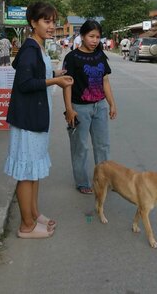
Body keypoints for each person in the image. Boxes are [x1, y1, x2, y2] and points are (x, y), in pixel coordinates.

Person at [4, 1, 74, 238]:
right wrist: (54, 82)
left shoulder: (38, 47)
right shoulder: (30, 49)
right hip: (28, 120)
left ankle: (33, 214)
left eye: (53, 21)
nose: (51, 26)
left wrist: (55, 74)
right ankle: (26, 226)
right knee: (26, 173)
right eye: (46, 21)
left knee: (33, 171)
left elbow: (33, 73)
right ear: (33, 23)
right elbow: (24, 83)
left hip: (36, 117)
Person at [62, 20, 117, 194]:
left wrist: (111, 103)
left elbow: (105, 81)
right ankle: (82, 182)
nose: (94, 40)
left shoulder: (100, 55)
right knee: (81, 147)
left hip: (99, 106)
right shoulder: (71, 58)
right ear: (82, 36)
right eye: (91, 36)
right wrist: (69, 109)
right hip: (80, 108)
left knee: (103, 146)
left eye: (98, 37)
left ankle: (104, 179)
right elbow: (67, 84)